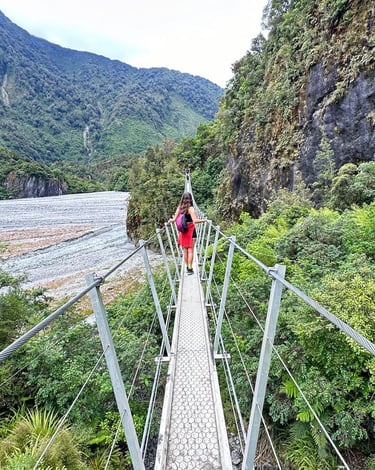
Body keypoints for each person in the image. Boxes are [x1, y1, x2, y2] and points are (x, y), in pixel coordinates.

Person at [168, 192, 206, 275]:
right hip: (191, 231)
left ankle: (187, 268)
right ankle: (190, 268)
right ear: (190, 199)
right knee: (191, 250)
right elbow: (195, 221)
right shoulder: (191, 208)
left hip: (183, 231)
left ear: (182, 199)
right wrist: (204, 220)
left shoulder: (179, 208)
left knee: (185, 250)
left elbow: (174, 219)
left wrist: (170, 220)